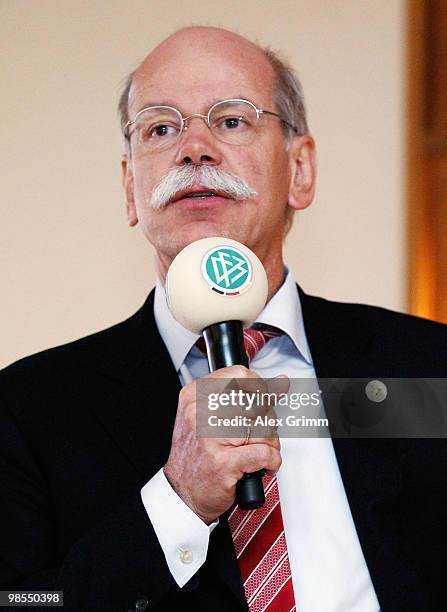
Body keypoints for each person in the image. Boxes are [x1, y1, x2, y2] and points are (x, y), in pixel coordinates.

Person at [1, 26, 447, 612]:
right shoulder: (29, 408)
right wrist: (177, 502)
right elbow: (24, 602)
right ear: (131, 189)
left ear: (300, 170)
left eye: (232, 120)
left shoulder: (426, 370)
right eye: (161, 127)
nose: (195, 148)